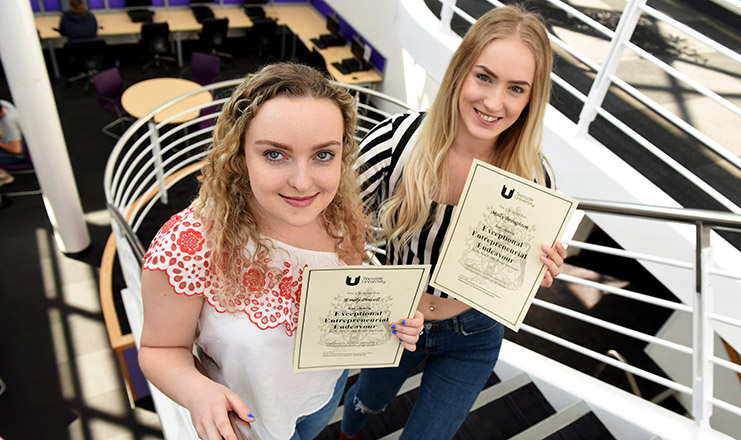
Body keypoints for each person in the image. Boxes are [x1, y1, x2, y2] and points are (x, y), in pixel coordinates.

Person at [138, 62, 425, 440]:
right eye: (275, 154)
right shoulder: (189, 244)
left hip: (321, 397)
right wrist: (197, 392)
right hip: (244, 422)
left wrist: (391, 322)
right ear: (241, 154)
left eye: (323, 155)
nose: (302, 183)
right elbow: (160, 348)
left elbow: (344, 307)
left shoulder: (342, 220)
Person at [340, 5, 567, 440]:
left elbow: (513, 271)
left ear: (531, 98)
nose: (494, 102)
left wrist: (539, 266)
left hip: (475, 332)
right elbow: (333, 230)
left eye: (516, 89)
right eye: (484, 77)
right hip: (395, 318)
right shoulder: (395, 143)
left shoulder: (537, 178)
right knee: (368, 401)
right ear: (461, 72)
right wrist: (371, 286)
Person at [0, 100, 26, 188]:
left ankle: (4, 177)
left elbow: (16, 150)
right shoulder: (3, 104)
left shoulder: (8, 123)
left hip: (14, 152)